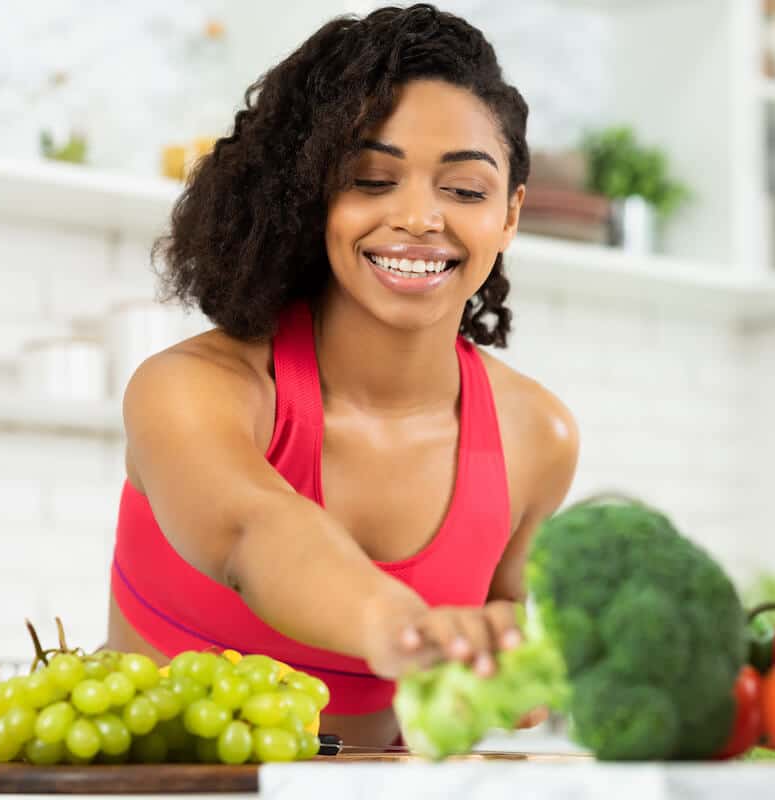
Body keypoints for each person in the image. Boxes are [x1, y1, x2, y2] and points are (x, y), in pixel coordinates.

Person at [105, 3, 579, 747]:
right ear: (313, 194)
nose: (420, 218)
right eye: (370, 178)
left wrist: (505, 656)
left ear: (511, 212)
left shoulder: (538, 437)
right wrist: (404, 626)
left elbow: (505, 605)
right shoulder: (193, 390)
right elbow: (257, 532)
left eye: (464, 190)